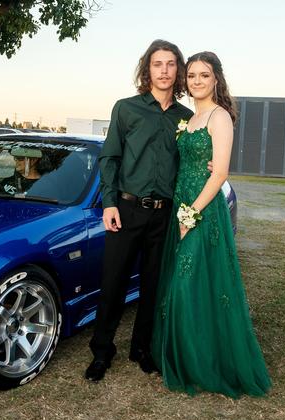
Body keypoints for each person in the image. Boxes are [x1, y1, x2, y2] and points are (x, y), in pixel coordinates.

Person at [150, 52, 271, 398]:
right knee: (185, 282)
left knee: (188, 285)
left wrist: (192, 214)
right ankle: (185, 358)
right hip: (181, 204)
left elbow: (220, 173)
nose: (197, 81)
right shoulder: (190, 118)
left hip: (201, 210)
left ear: (216, 78)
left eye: (204, 75)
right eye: (191, 75)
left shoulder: (219, 117)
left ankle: (203, 362)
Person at [85, 40, 194, 382]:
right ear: (147, 69)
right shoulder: (127, 109)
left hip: (165, 215)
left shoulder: (186, 118)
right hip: (127, 211)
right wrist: (110, 203)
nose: (164, 70)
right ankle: (102, 352)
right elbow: (109, 157)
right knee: (113, 284)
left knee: (154, 285)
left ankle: (142, 348)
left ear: (178, 71)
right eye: (157, 64)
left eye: (171, 64)